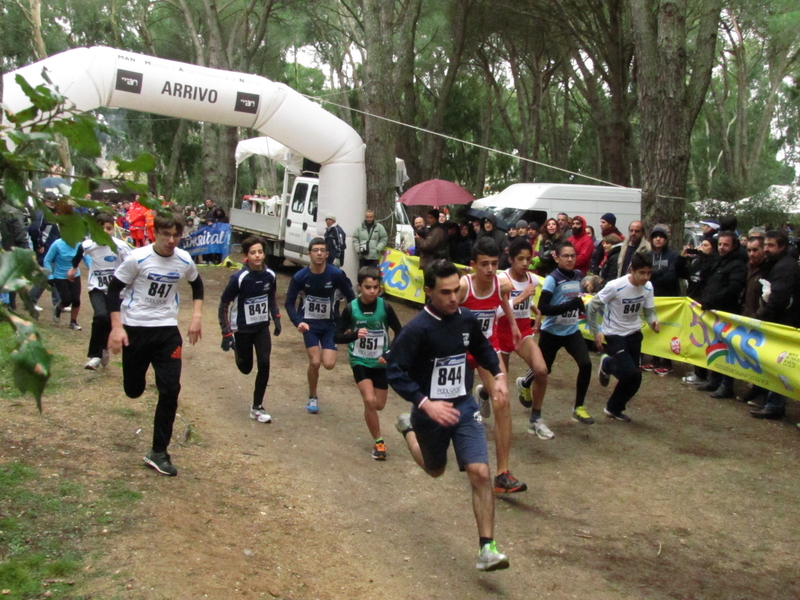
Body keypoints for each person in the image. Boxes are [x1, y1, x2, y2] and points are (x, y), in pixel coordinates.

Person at [387, 259, 511, 572]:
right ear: (428, 291)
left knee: (480, 473)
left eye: (456, 289)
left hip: (464, 406)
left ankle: (487, 548)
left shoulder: (466, 319)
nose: (454, 297)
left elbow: (484, 349)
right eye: (445, 292)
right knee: (435, 470)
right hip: (430, 414)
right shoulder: (417, 329)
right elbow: (395, 371)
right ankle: (409, 431)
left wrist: (498, 375)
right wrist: (424, 403)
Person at [107, 213, 204, 477]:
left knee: (171, 389)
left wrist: (196, 318)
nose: (171, 241)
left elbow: (197, 285)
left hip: (166, 332)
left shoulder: (183, 259)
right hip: (136, 330)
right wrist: (117, 327)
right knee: (133, 390)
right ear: (155, 233)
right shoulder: (137, 259)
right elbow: (113, 290)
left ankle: (158, 451)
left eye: (176, 235)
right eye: (166, 235)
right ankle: (134, 382)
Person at [457, 237, 525, 494]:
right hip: (460, 352)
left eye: (494, 264)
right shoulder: (464, 287)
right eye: (484, 264)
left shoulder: (501, 283)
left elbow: (503, 299)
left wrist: (515, 325)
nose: (489, 269)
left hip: (487, 349)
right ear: (473, 265)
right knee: (457, 408)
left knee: (503, 401)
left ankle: (503, 473)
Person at [335, 266, 403, 459]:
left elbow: (400, 332)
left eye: (375, 287)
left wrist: (389, 353)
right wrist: (355, 335)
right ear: (359, 287)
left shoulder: (385, 307)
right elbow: (336, 336)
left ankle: (371, 416)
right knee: (369, 400)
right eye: (367, 287)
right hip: (360, 360)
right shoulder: (351, 309)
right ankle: (379, 443)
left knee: (378, 404)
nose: (372, 291)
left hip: (380, 361)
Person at [284, 237, 355, 414]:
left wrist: (348, 322)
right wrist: (298, 321)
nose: (319, 253)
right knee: (315, 362)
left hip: (331, 324)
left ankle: (314, 388)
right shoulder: (300, 277)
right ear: (309, 253)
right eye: (315, 250)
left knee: (329, 364)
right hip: (309, 324)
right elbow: (289, 303)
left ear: (327, 254)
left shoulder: (336, 274)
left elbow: (351, 298)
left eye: (322, 250)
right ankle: (313, 396)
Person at [587, 252, 660, 422]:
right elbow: (592, 306)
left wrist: (653, 322)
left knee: (636, 378)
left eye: (649, 273)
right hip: (614, 334)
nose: (646, 277)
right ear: (632, 270)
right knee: (630, 373)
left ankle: (614, 408)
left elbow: (649, 312)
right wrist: (595, 331)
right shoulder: (615, 286)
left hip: (634, 334)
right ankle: (607, 363)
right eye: (642, 272)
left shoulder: (648, 287)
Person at [218, 236, 282, 424]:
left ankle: (257, 407)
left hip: (262, 326)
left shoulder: (270, 275)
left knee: (264, 362)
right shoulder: (239, 278)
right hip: (242, 328)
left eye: (260, 252)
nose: (257, 256)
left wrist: (276, 317)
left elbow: (271, 297)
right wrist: (227, 333)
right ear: (246, 256)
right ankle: (237, 350)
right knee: (246, 368)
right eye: (253, 252)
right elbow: (224, 303)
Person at [498, 239, 551, 440]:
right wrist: (520, 298)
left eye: (529, 259)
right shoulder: (501, 280)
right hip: (501, 331)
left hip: (522, 330)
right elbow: (495, 310)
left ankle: (535, 418)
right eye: (520, 259)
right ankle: (484, 394)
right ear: (510, 259)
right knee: (498, 381)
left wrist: (536, 311)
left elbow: (527, 302)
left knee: (541, 370)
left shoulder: (533, 280)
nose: (525, 263)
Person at [536, 242, 595, 424]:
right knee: (544, 370)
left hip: (571, 331)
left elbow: (580, 293)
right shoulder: (552, 279)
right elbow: (543, 308)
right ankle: (524, 383)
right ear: (557, 258)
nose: (570, 259)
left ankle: (578, 407)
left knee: (586, 364)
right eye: (566, 256)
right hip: (551, 332)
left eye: (573, 256)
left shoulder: (578, 275)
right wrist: (570, 305)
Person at [68, 213, 132, 369]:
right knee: (100, 316)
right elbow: (78, 255)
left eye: (109, 229)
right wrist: (73, 268)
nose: (105, 232)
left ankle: (104, 348)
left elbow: (132, 265)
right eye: (102, 229)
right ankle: (95, 356)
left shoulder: (121, 247)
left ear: (113, 229)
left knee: (111, 322)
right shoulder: (88, 245)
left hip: (117, 292)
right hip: (97, 287)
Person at [750, 230, 800, 419]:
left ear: (782, 247)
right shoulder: (774, 264)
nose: (766, 249)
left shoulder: (786, 267)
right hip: (778, 320)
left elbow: (779, 299)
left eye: (771, 246)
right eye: (766, 245)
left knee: (778, 363)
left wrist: (762, 316)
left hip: (783, 323)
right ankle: (770, 400)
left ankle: (775, 404)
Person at [696, 231, 747, 399]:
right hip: (713, 312)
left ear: (733, 246)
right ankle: (714, 380)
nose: (722, 248)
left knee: (728, 350)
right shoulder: (718, 261)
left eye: (726, 245)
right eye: (720, 244)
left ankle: (726, 385)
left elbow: (733, 289)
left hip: (727, 312)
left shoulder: (738, 265)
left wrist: (714, 300)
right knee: (715, 347)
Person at [641, 224, 681, 375]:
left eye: (661, 236)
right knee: (652, 327)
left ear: (666, 239)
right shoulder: (647, 254)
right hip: (651, 297)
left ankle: (667, 362)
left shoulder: (673, 256)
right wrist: (658, 273)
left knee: (667, 330)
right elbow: (643, 273)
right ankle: (654, 359)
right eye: (655, 236)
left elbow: (671, 275)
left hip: (669, 298)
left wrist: (654, 275)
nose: (658, 239)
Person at [737, 236, 769, 404]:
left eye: (755, 250)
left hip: (762, 319)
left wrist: (759, 315)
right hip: (746, 316)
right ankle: (753, 389)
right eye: (749, 250)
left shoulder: (768, 270)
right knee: (750, 357)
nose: (752, 253)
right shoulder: (747, 267)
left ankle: (763, 393)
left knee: (763, 359)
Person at [44, 237, 83, 330]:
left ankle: (73, 322)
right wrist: (49, 276)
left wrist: (93, 271)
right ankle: (59, 308)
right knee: (66, 300)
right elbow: (47, 259)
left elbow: (87, 258)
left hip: (75, 275)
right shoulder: (57, 244)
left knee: (76, 299)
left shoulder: (79, 245)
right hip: (60, 276)